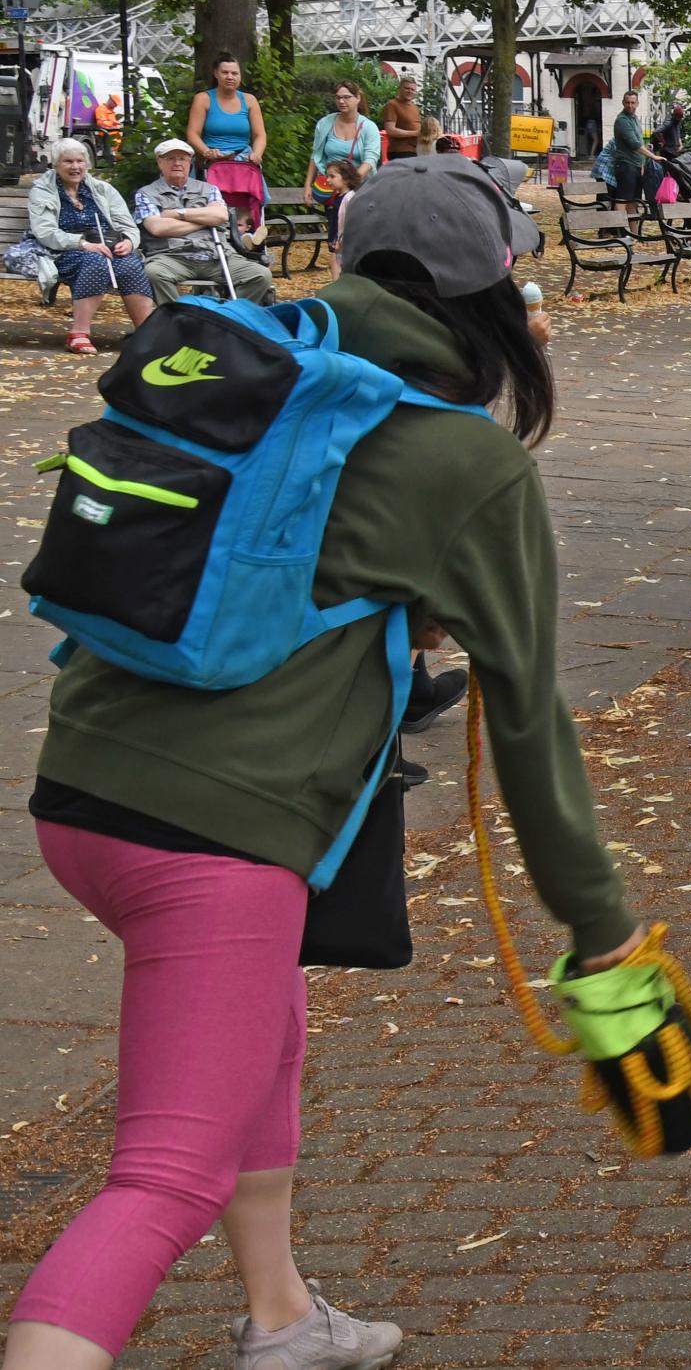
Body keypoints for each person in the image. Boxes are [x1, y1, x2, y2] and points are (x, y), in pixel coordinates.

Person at [3, 154, 651, 1370]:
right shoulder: (466, 459)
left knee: (267, 1027)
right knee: (158, 1181)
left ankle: (285, 1316)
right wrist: (599, 924)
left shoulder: (251, 368)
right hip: (216, 837)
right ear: (496, 293)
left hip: (82, 794)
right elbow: (527, 723)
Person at [27, 139, 154, 356]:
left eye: (80, 161)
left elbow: (127, 225)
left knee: (130, 264)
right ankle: (79, 333)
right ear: (56, 165)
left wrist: (130, 242)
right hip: (65, 250)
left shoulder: (103, 189)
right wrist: (83, 244)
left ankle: (147, 334)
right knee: (95, 261)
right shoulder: (43, 191)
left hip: (109, 246)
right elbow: (46, 232)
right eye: (68, 161)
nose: (75, 167)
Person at [133, 138, 275, 305]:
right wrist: (206, 220)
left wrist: (178, 213)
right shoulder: (146, 193)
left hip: (215, 254)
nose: (177, 163)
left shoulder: (209, 189)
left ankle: (227, 317)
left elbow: (221, 216)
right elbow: (157, 228)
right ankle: (176, 319)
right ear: (159, 163)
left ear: (190, 163)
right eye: (170, 158)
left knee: (260, 275)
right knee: (153, 273)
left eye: (182, 159)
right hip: (171, 256)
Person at [188, 55, 271, 240]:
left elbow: (260, 135)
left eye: (235, 73)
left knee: (248, 198)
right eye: (225, 72)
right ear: (216, 73)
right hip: (214, 162)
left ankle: (248, 234)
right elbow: (193, 133)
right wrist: (206, 151)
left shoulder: (249, 101)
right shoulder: (203, 99)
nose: (230, 77)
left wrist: (257, 153)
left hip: (243, 161)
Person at [308, 82, 381, 205]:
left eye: (346, 97)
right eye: (338, 98)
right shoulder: (325, 123)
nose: (341, 101)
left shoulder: (369, 127)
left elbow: (370, 160)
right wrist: (307, 185)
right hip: (331, 190)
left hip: (360, 190)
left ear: (357, 98)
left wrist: (348, 183)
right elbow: (315, 156)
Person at [610, 89, 656, 215]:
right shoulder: (622, 120)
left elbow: (639, 142)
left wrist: (642, 162)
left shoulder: (635, 119)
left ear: (637, 104)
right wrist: (654, 157)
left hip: (635, 166)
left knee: (633, 202)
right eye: (627, 102)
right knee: (622, 200)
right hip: (625, 165)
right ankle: (619, 231)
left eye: (633, 103)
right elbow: (635, 144)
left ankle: (634, 234)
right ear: (623, 103)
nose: (630, 105)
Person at [323, 158, 369, 267]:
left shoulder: (350, 198)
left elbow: (351, 222)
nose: (328, 180)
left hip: (346, 244)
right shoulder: (338, 197)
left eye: (332, 176)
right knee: (337, 264)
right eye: (327, 176)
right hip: (339, 243)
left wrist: (342, 240)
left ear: (346, 179)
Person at [380, 75, 423, 160]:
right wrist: (415, 133)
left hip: (415, 151)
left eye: (412, 89)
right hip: (400, 152)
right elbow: (391, 130)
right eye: (407, 88)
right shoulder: (392, 105)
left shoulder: (415, 107)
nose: (409, 91)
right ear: (400, 89)